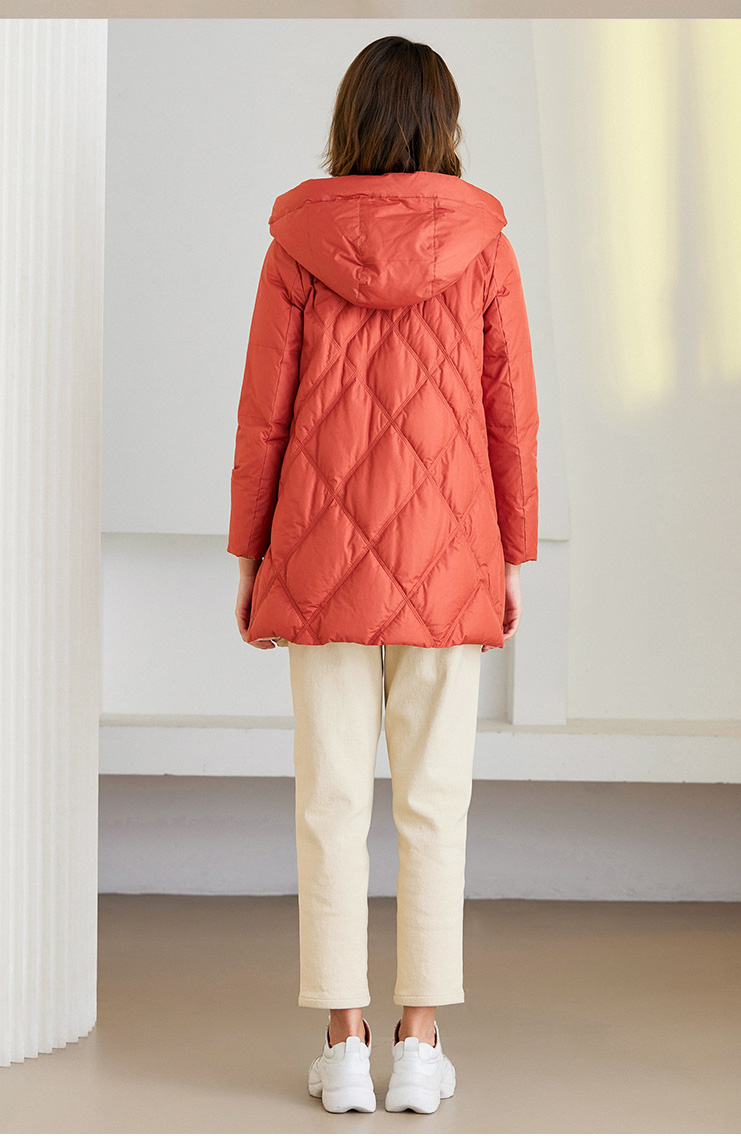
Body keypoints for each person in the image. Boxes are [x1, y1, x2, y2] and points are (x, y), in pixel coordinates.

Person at [227, 34, 539, 1114]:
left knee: (328, 804)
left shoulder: (295, 245)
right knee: (433, 805)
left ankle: (343, 1045)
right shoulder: (485, 246)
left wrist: (252, 555)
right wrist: (511, 556)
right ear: (443, 126)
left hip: (319, 563)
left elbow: (264, 416)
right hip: (449, 561)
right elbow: (511, 416)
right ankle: (419, 1043)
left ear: (350, 119)